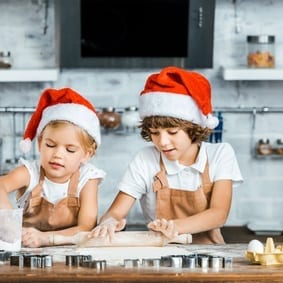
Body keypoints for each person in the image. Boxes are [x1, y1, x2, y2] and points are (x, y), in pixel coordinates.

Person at [90, 66, 243, 244]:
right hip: (160, 254)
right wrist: (108, 222)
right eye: (155, 133)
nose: (162, 142)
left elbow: (218, 214)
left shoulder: (220, 154)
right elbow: (116, 212)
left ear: (193, 128)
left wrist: (174, 227)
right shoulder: (146, 159)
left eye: (172, 132)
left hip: (209, 255)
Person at [0, 87, 105, 248]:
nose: (58, 155)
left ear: (86, 155)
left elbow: (86, 228)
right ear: (40, 143)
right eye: (50, 145)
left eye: (70, 150)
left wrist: (45, 238)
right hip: (26, 254)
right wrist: (5, 213)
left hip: (71, 256)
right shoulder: (30, 172)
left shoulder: (87, 178)